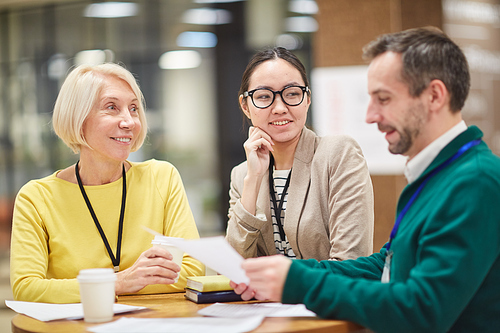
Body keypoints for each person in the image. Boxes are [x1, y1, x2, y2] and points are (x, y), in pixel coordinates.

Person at [232, 27, 500, 333]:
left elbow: (423, 310)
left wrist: (299, 282)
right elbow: (384, 265)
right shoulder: (437, 176)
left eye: (383, 99)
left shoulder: (475, 182)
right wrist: (289, 271)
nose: (370, 116)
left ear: (434, 96)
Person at [10, 63, 204, 303]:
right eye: (111, 107)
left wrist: (93, 287)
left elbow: (193, 271)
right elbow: (27, 288)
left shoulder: (161, 177)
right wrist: (120, 282)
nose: (129, 122)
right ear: (78, 118)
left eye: (133, 108)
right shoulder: (36, 197)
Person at [226, 47, 374, 261]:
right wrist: (253, 179)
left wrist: (286, 280)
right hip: (266, 296)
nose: (279, 107)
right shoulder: (242, 176)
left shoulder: (338, 154)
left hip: (324, 295)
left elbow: (351, 261)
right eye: (264, 96)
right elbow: (234, 265)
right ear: (245, 106)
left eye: (292, 94)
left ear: (307, 99)